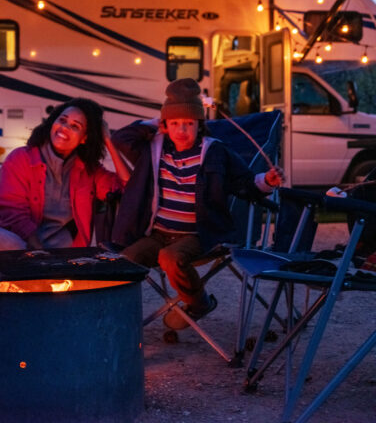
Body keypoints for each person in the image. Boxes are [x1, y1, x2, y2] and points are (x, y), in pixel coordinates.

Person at [111, 78, 283, 329]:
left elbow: (244, 183)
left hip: (199, 234)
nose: (182, 129)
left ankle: (199, 303)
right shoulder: (154, 149)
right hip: (158, 233)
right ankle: (119, 320)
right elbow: (121, 138)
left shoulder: (215, 151)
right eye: (174, 123)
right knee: (127, 260)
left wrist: (267, 181)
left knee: (170, 257)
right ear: (165, 125)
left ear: (200, 125)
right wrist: (156, 123)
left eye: (189, 123)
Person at [0, 98, 131, 250]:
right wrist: (39, 253)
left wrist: (108, 141)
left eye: (75, 126)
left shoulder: (87, 170)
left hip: (65, 253)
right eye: (62, 120)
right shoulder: (21, 158)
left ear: (84, 138)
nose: (64, 127)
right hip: (22, 248)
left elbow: (129, 187)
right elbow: (12, 213)